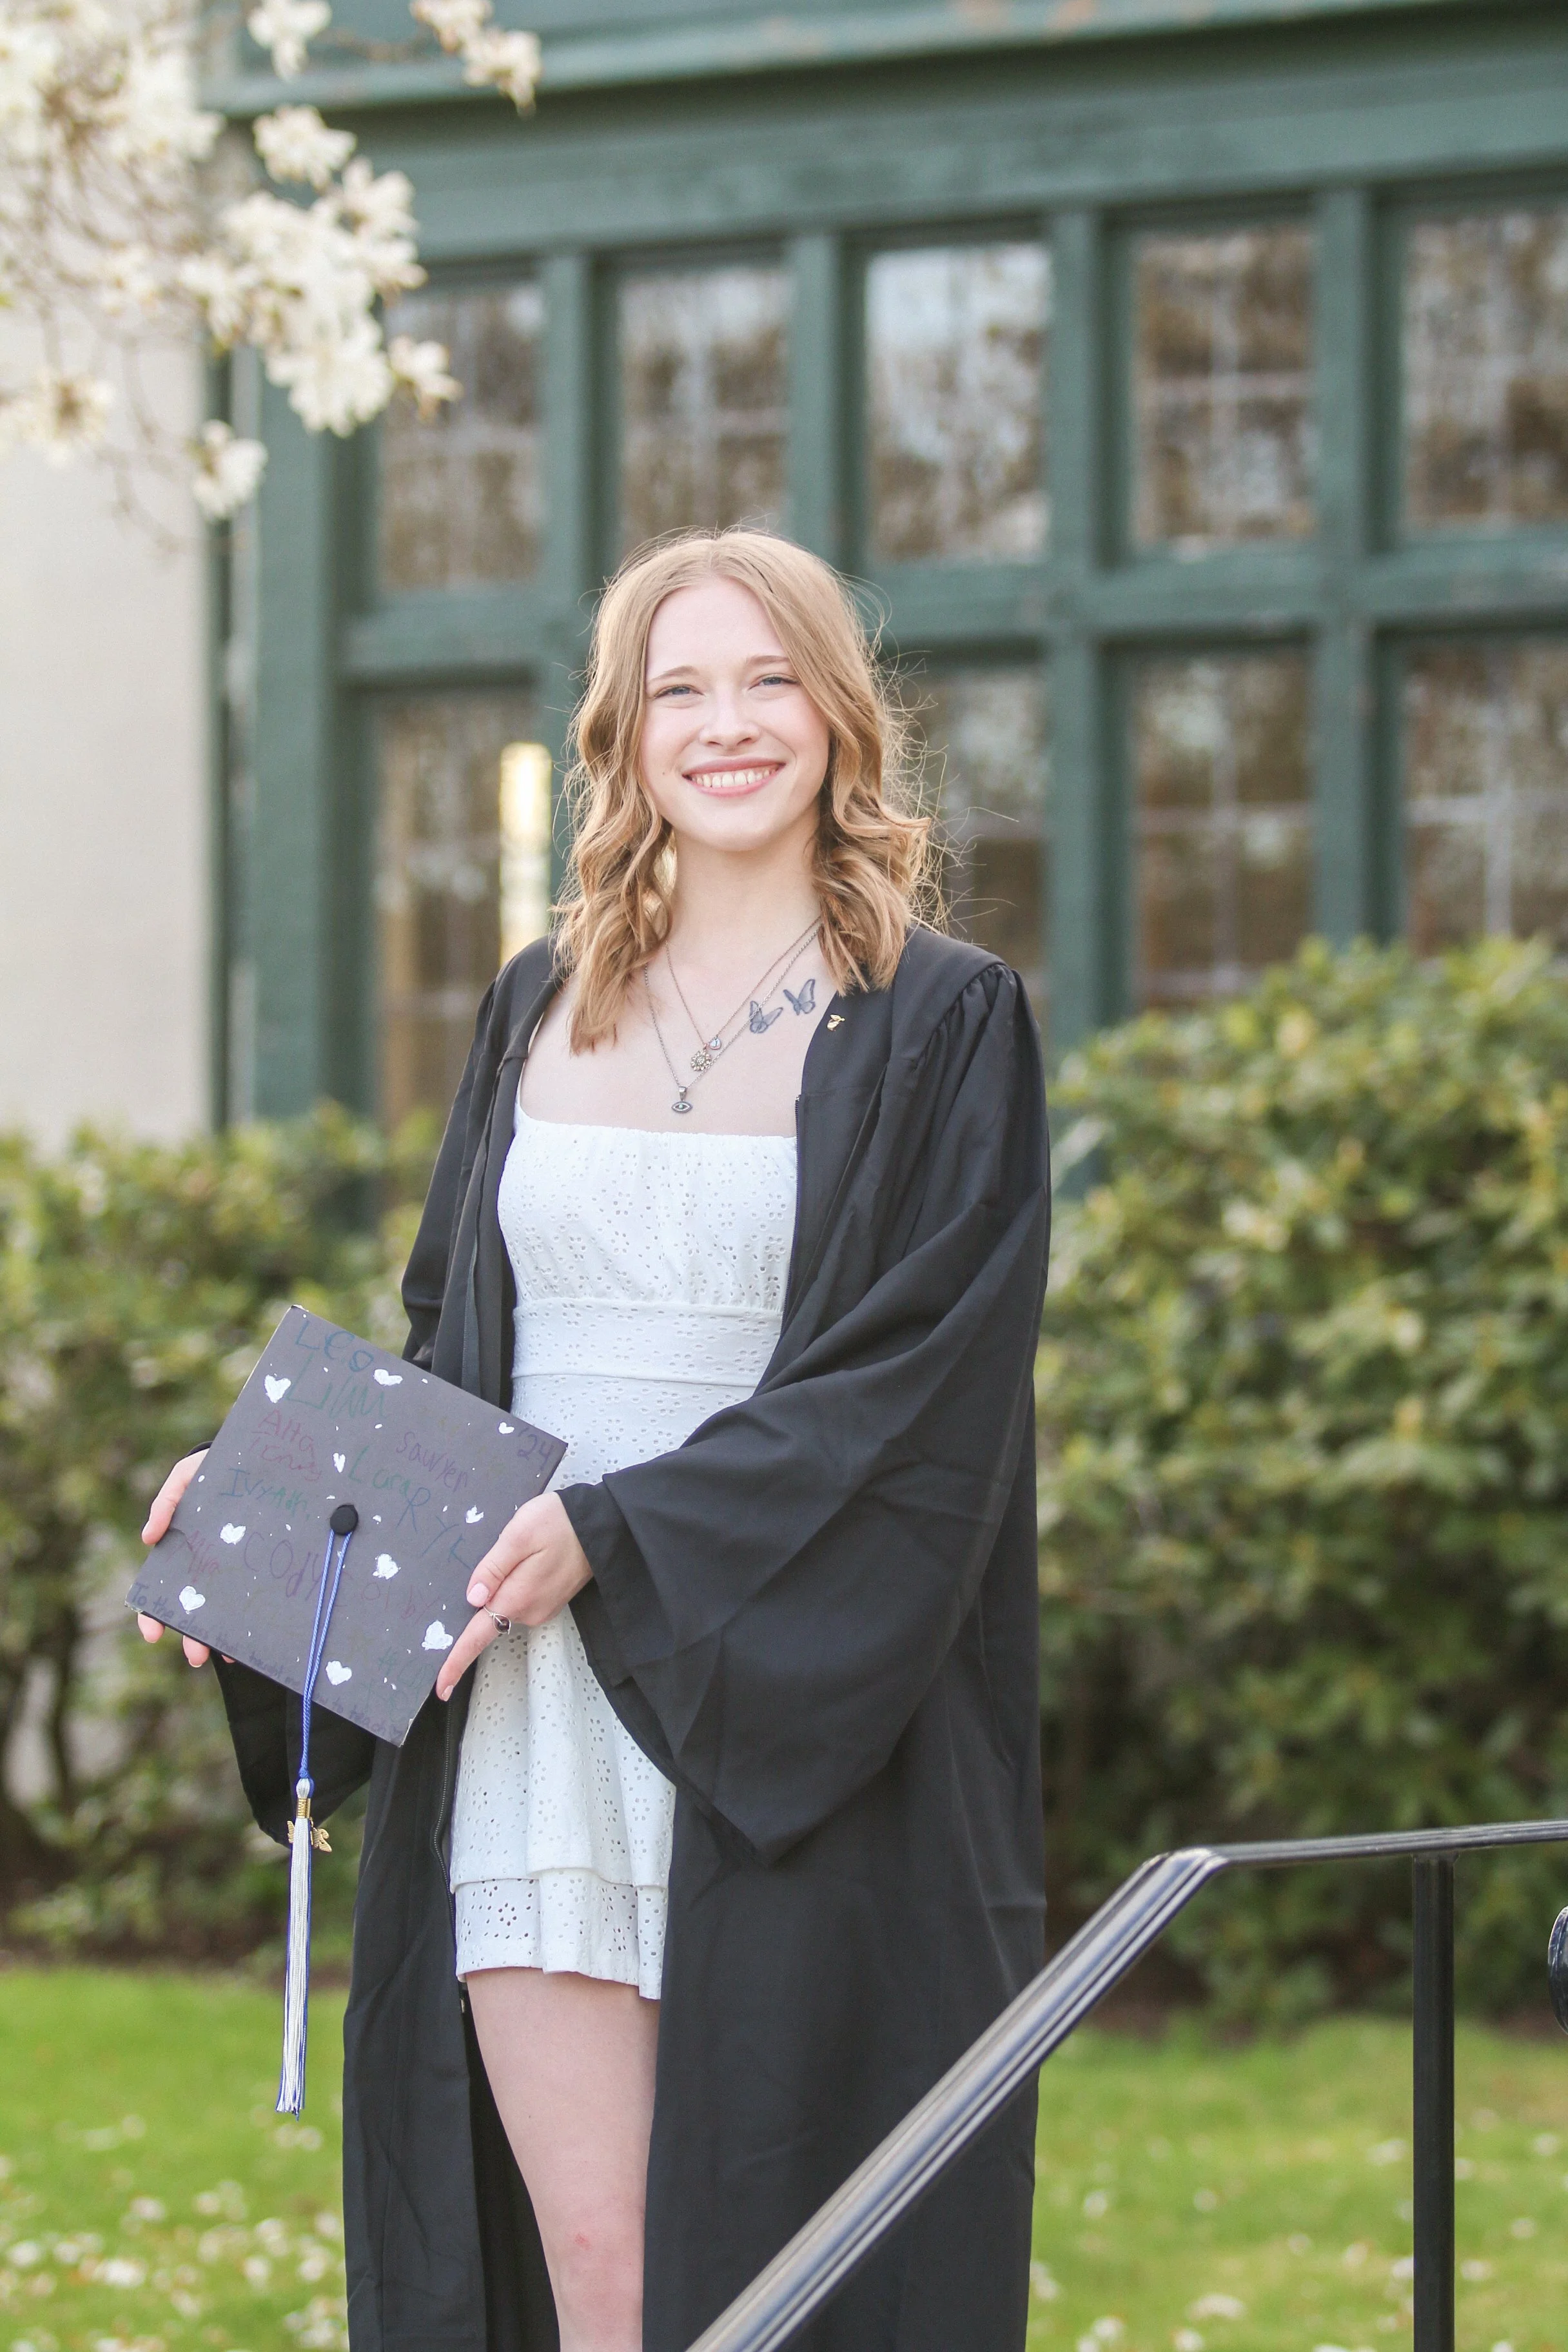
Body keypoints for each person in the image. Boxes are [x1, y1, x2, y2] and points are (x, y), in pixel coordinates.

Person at [139, 527, 1050, 2352]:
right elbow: (454, 1345)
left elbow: (913, 1392)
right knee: (606, 2282)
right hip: (539, 1711)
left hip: (797, 1715)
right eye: (678, 691)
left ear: (841, 714)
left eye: (770, 678)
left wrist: (620, 1539)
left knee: (782, 2286)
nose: (728, 725)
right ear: (621, 739)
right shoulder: (536, 998)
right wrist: (261, 1509)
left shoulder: (945, 1025)